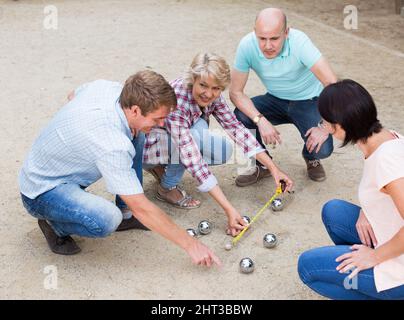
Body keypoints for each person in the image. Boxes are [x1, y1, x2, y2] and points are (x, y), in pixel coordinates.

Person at [19, 70, 221, 268]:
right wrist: (191, 244)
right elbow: (141, 207)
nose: (162, 124)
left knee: (138, 133)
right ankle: (54, 226)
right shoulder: (113, 144)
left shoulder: (112, 89)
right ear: (134, 109)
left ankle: (126, 215)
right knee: (106, 219)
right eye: (157, 119)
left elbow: (73, 95)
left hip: (53, 168)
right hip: (42, 191)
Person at [143, 53, 293, 236]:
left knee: (223, 150)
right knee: (194, 140)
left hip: (180, 138)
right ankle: (166, 187)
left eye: (216, 88)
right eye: (203, 85)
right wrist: (229, 210)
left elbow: (237, 129)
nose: (208, 93)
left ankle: (163, 167)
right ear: (193, 79)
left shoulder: (213, 96)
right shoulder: (178, 100)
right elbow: (194, 159)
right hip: (150, 148)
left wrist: (273, 167)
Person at [298, 79, 404, 300]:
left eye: (325, 122)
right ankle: (364, 278)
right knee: (334, 211)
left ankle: (380, 288)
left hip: (399, 268)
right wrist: (367, 209)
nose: (323, 127)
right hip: (391, 236)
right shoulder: (386, 138)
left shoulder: (387, 160)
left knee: (308, 267)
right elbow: (383, 189)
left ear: (341, 125)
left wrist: (375, 256)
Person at [230, 7, 337, 185]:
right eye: (262, 38)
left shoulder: (300, 42)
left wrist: (324, 127)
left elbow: (332, 84)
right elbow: (235, 92)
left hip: (309, 101)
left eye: (274, 38)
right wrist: (260, 120)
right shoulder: (246, 45)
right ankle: (263, 165)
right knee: (240, 116)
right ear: (254, 32)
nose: (267, 45)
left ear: (286, 32)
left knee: (323, 149)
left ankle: (310, 157)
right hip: (275, 99)